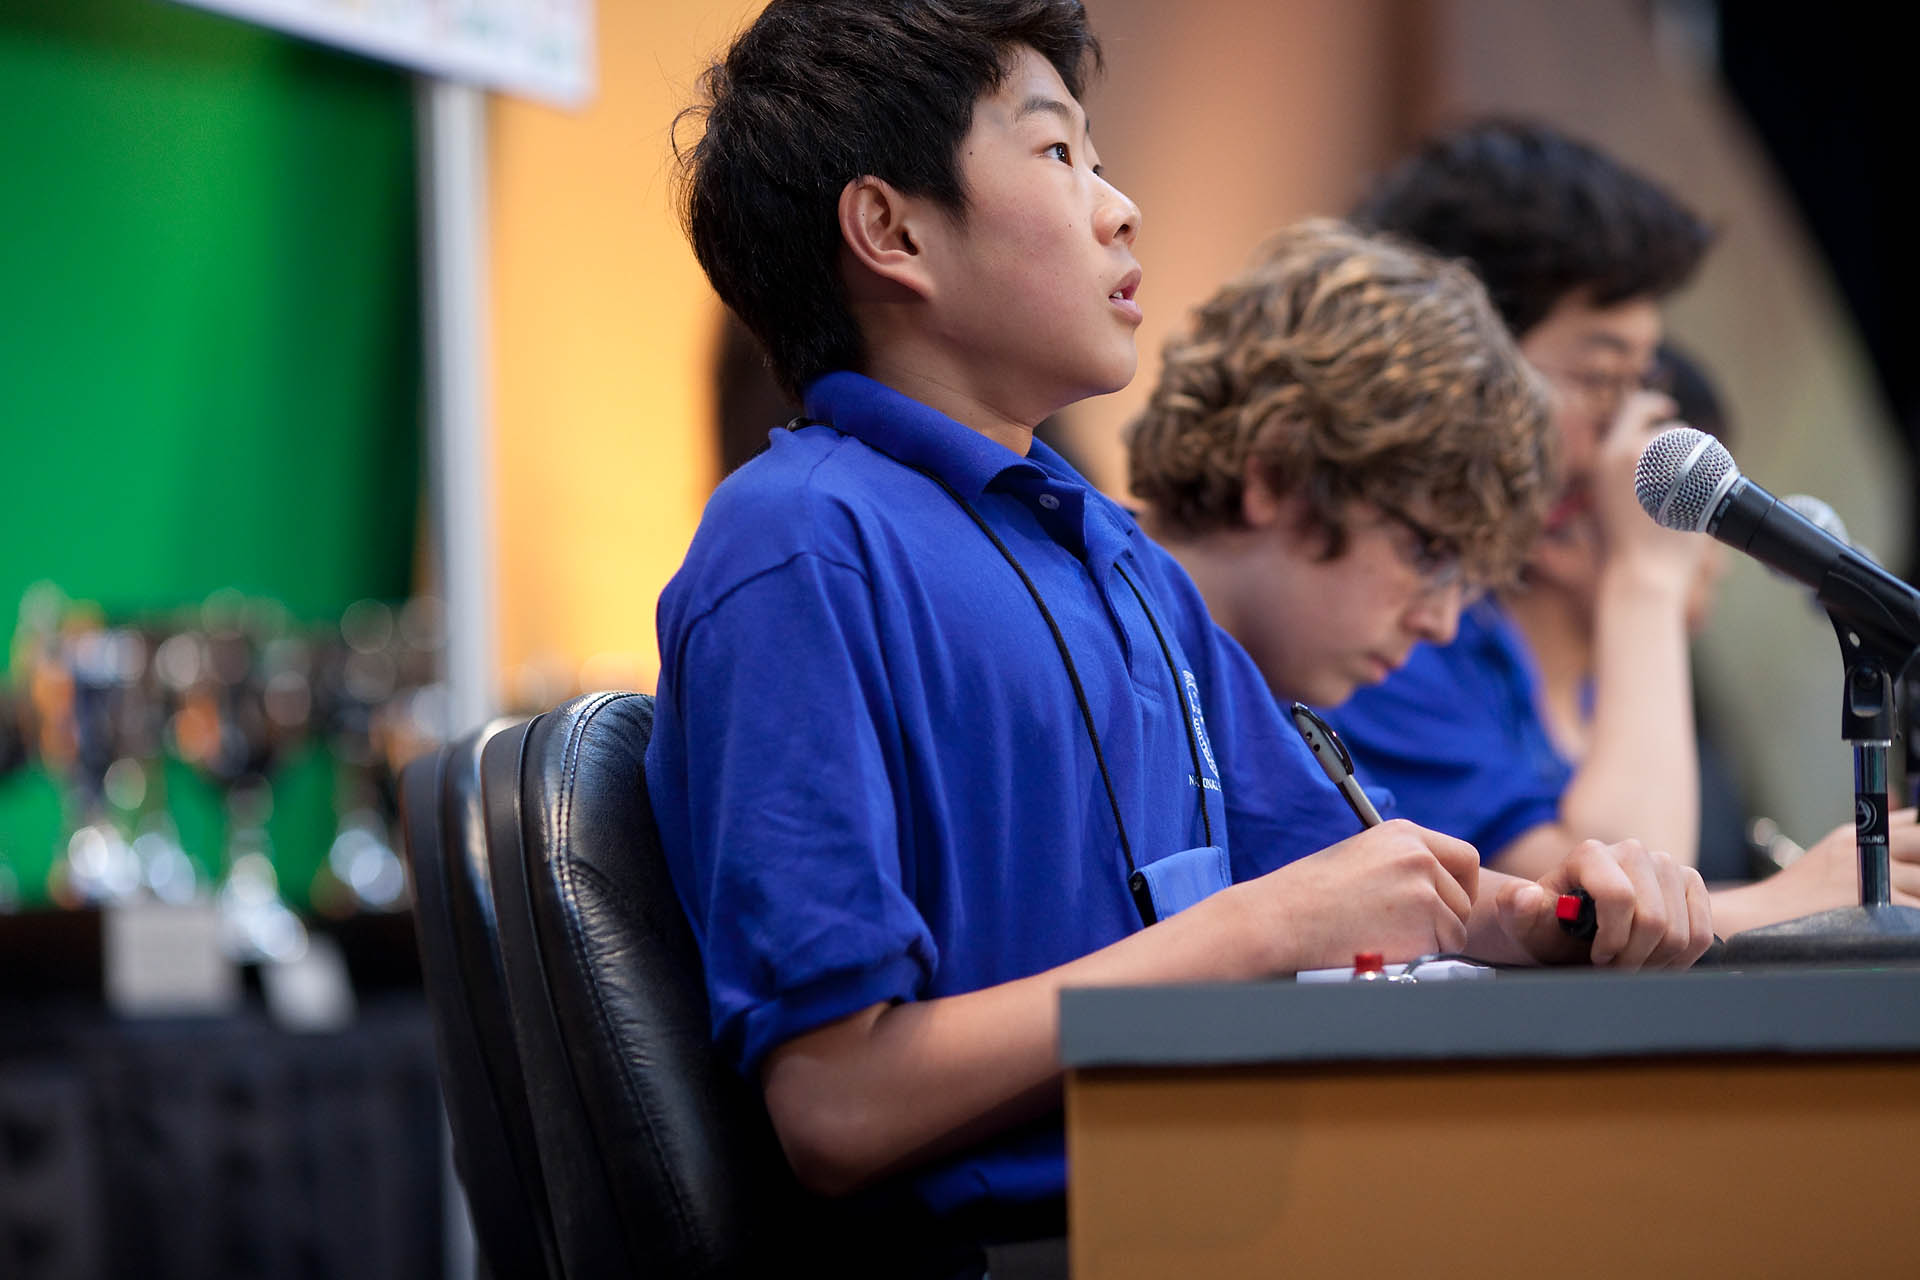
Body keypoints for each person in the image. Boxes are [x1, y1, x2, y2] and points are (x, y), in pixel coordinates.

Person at [650, 9, 1708, 1270]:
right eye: (1058, 158)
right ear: (891, 229)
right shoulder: (797, 546)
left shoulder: (1115, 556)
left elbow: (1356, 879)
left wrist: (1553, 917)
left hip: (1233, 1199)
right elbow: (837, 1103)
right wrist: (1264, 929)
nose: (1120, 208)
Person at [1334, 119, 1919, 928]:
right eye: (1600, 378)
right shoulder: (1389, 631)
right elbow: (1619, 922)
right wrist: (1645, 578)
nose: (1629, 440)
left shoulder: (1490, 642)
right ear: (1455, 366)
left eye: (1640, 385)